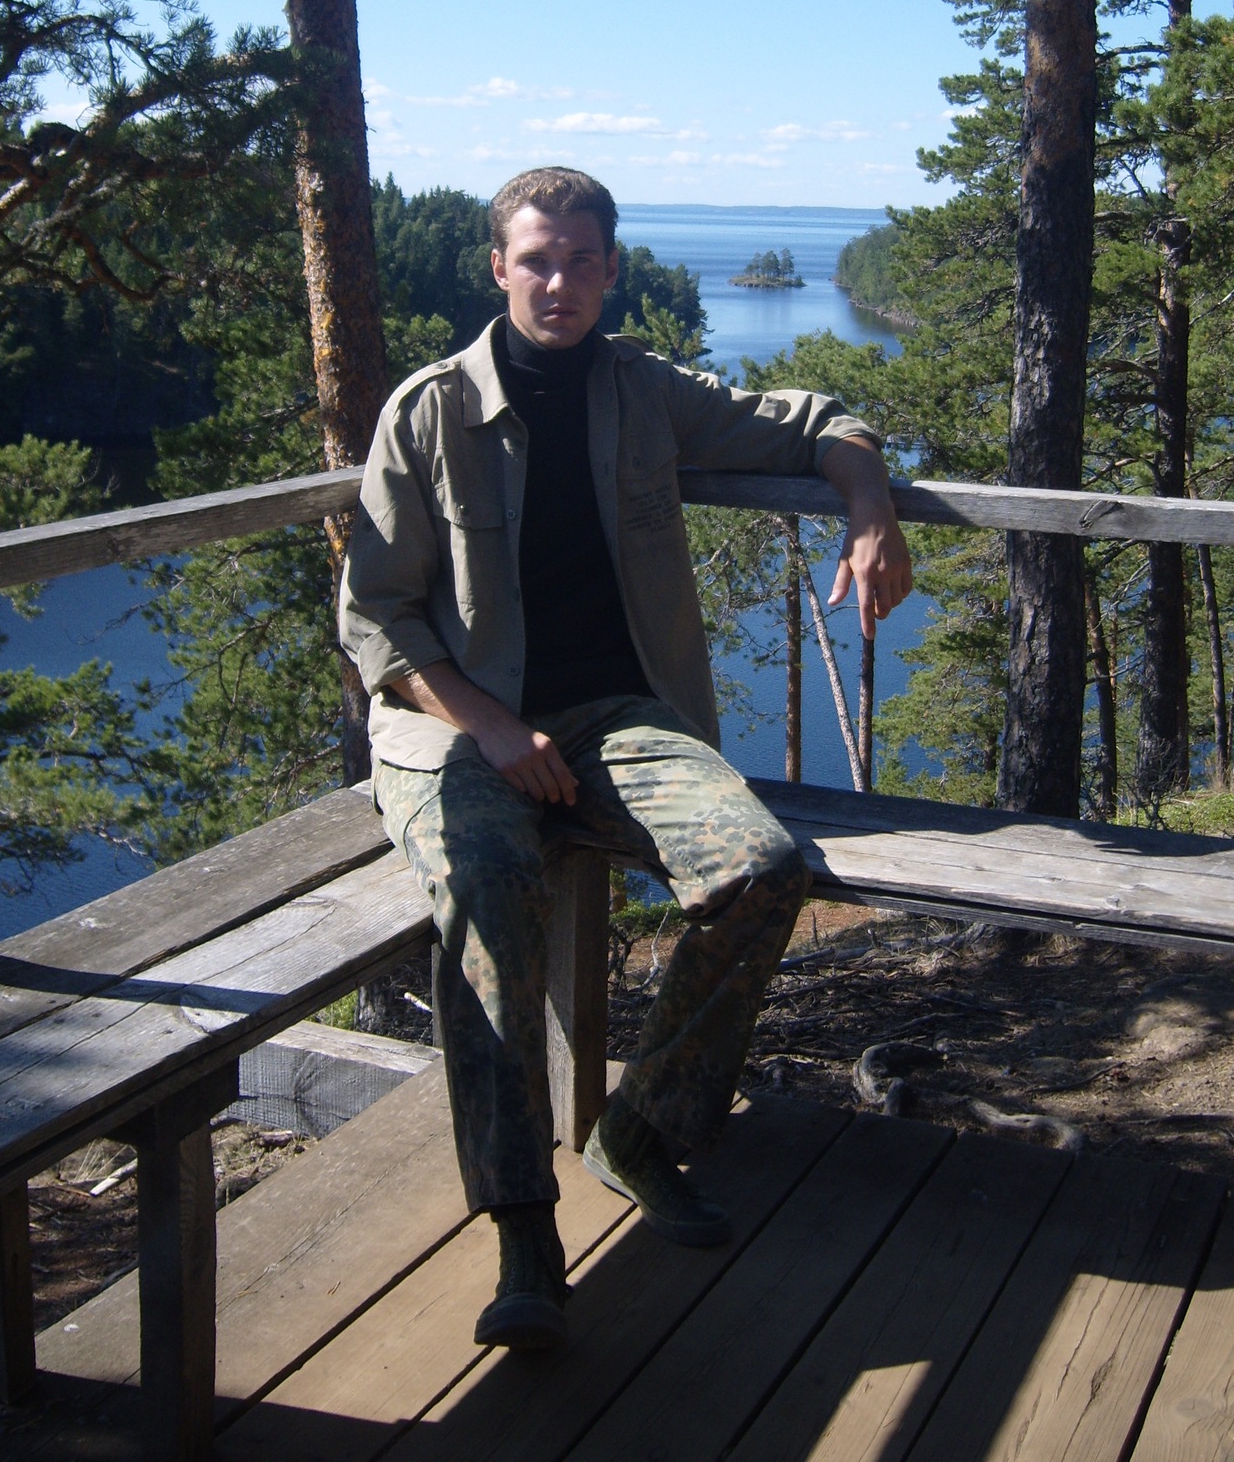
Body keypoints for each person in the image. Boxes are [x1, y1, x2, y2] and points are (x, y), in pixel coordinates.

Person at [339, 166, 912, 1351]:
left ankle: (640, 1128)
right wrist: (492, 727)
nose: (558, 282)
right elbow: (375, 617)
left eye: (580, 260)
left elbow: (818, 421)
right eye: (535, 259)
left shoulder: (644, 390)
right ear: (498, 268)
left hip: (614, 717)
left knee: (760, 868)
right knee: (490, 893)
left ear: (609, 268)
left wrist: (871, 508)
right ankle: (522, 1229)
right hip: (458, 725)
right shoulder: (429, 411)